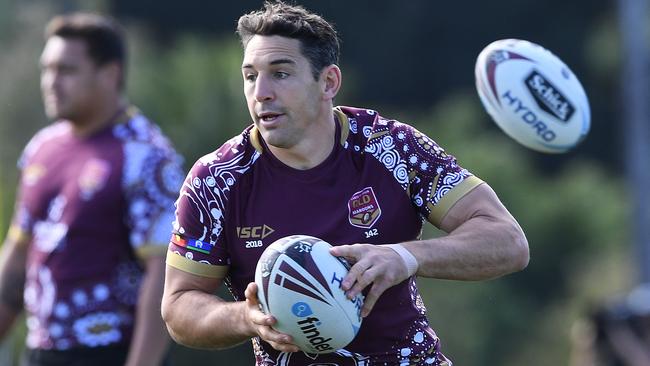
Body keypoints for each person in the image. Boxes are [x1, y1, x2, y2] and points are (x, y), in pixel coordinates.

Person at [161, 2, 529, 365]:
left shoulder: (391, 148)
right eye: (251, 76)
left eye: (281, 73)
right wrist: (246, 318)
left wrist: (404, 257)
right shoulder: (217, 180)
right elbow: (179, 306)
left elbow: (507, 240)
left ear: (328, 82)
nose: (261, 93)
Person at [0, 12, 184, 366]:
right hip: (40, 352)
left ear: (110, 74)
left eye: (66, 70)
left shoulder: (146, 155)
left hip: (108, 352)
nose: (51, 82)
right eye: (47, 69)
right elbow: (18, 252)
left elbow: (161, 272)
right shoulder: (42, 147)